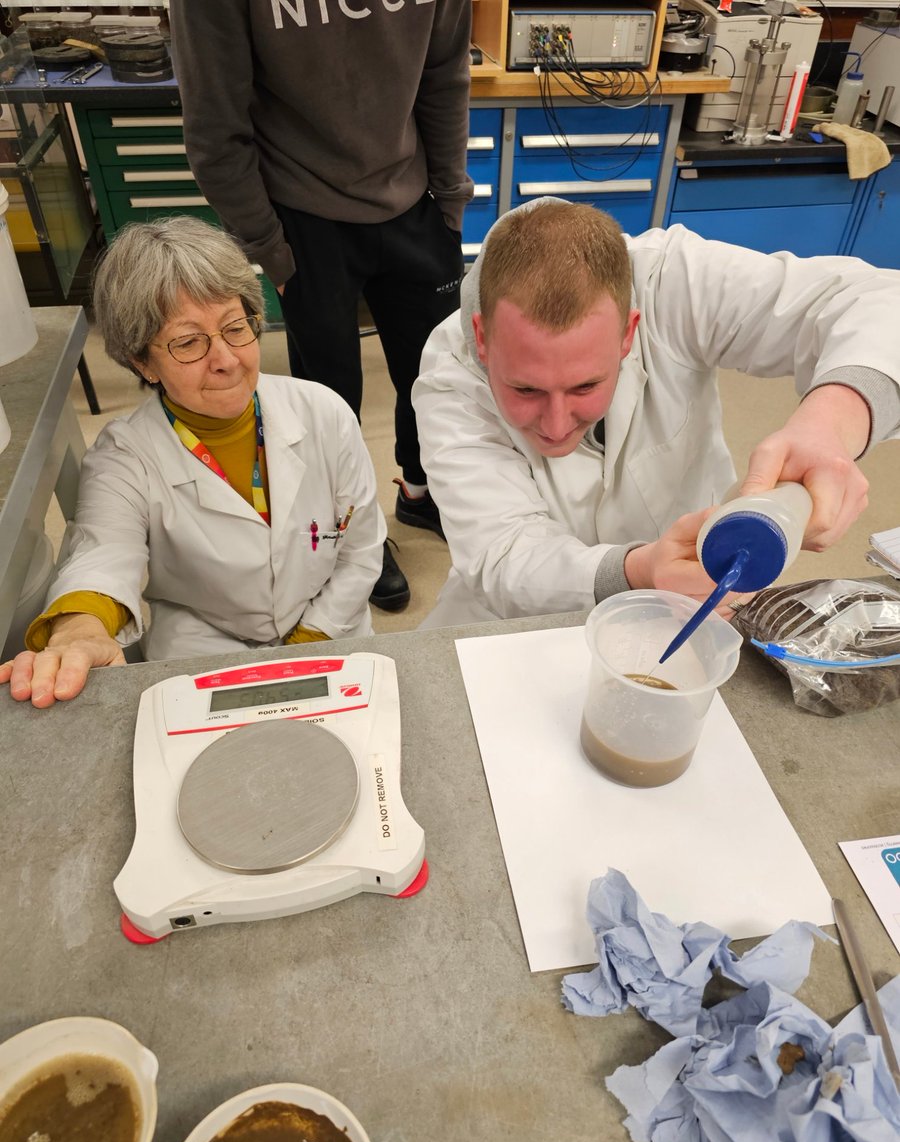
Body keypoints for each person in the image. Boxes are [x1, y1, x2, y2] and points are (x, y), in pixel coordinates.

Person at [412, 198, 900, 627]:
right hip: (516, 614)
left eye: (586, 385)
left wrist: (831, 426)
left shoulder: (671, 284)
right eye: (525, 388)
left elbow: (875, 301)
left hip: (699, 592)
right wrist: (637, 571)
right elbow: (504, 556)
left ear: (629, 331)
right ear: (480, 336)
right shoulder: (450, 376)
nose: (557, 425)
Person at [0, 218, 384, 707]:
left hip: (332, 628)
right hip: (203, 644)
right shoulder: (125, 455)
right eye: (188, 341)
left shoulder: (323, 411)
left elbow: (361, 549)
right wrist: (79, 632)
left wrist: (310, 642)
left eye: (235, 327)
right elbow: (102, 553)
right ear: (142, 362)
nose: (225, 358)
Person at [168, 0, 473, 613]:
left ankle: (420, 494)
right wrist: (268, 247)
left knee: (436, 374)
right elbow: (215, 127)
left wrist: (450, 197)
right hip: (302, 215)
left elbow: (445, 72)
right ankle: (354, 527)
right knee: (327, 396)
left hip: (415, 201)